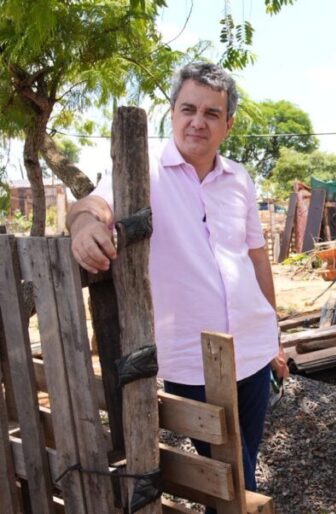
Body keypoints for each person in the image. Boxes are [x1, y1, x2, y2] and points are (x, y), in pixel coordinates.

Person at [67, 62, 289, 497]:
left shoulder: (239, 178)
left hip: (254, 347)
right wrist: (83, 226)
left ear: (228, 124)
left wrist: (276, 335)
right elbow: (91, 205)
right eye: (188, 109)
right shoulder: (141, 172)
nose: (197, 121)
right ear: (172, 113)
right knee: (236, 478)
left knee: (237, 467)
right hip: (192, 357)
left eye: (211, 113)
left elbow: (256, 258)